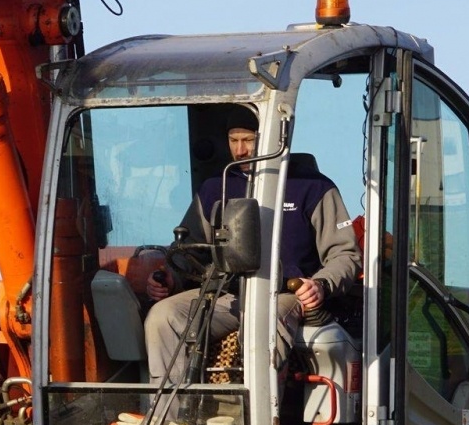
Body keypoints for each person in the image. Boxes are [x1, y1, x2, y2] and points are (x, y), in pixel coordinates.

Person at [144, 109, 360, 387]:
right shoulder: (215, 188)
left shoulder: (313, 187)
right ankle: (172, 411)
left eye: (248, 140)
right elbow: (189, 249)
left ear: (276, 138)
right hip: (226, 294)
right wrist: (171, 276)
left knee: (260, 324)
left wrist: (320, 284)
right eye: (233, 140)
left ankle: (258, 413)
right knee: (162, 317)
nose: (240, 150)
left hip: (283, 296)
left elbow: (345, 254)